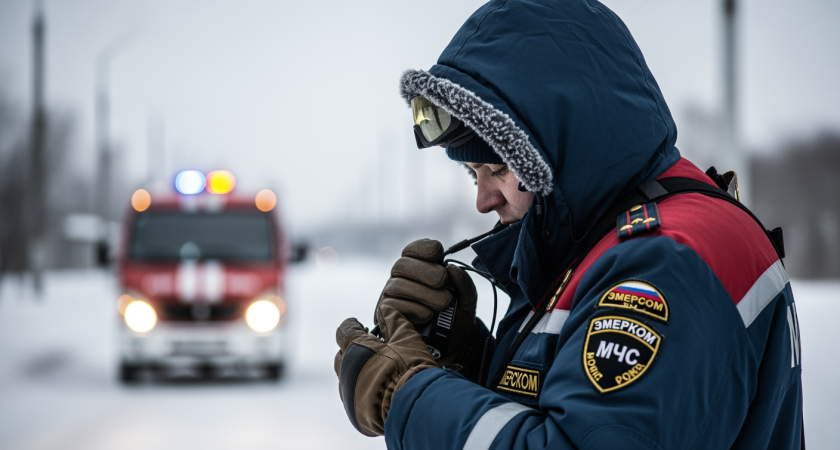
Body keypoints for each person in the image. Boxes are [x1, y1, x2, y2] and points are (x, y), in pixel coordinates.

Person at [334, 1, 803, 448]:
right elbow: (568, 411)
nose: (482, 200)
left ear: (562, 143)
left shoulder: (665, 263)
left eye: (497, 169)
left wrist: (408, 396)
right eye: (471, 175)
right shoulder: (606, 243)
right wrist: (467, 358)